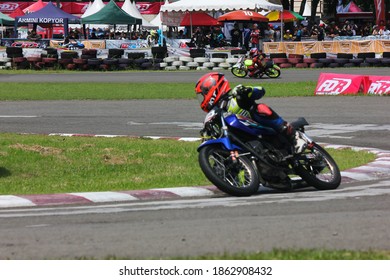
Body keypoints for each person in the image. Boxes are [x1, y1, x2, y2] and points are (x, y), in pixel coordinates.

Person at [194, 72, 306, 155]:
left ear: (213, 88)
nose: (202, 99)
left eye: (203, 95)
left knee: (260, 108)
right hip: (248, 140)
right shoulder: (215, 113)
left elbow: (261, 90)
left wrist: (247, 90)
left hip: (263, 127)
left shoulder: (235, 95)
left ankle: (293, 135)